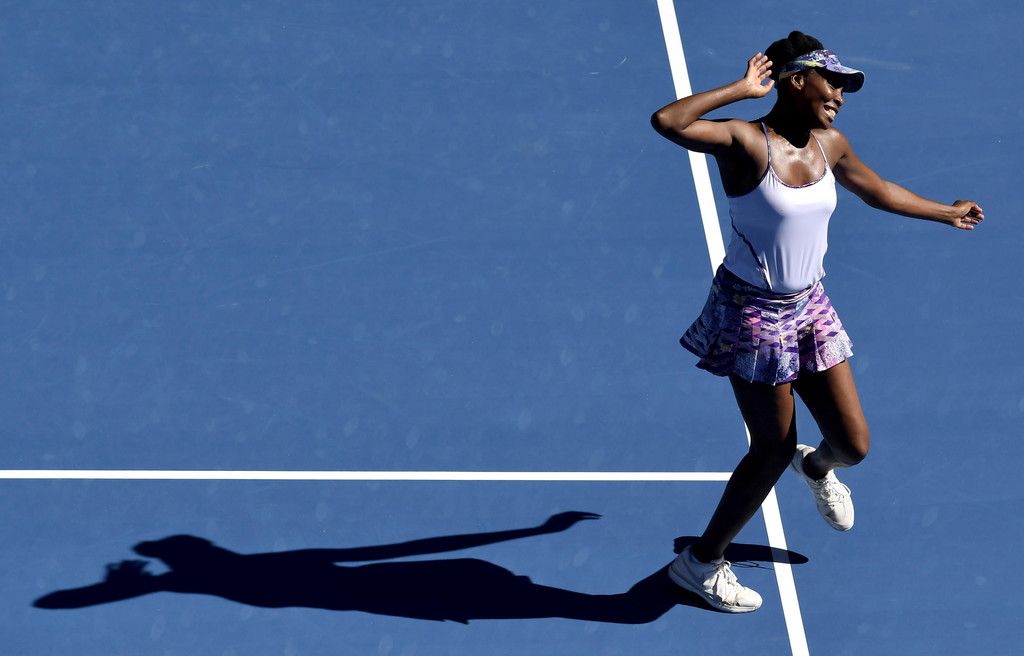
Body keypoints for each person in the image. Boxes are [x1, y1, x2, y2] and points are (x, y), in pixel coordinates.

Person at [650, 31, 983, 613]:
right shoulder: (745, 142)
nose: (840, 96)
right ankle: (699, 563)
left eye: (845, 88)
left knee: (852, 445)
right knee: (769, 450)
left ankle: (816, 466)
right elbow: (668, 121)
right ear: (796, 79)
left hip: (810, 306)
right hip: (752, 314)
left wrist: (945, 212)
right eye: (833, 83)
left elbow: (877, 191)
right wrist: (741, 89)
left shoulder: (831, 145)